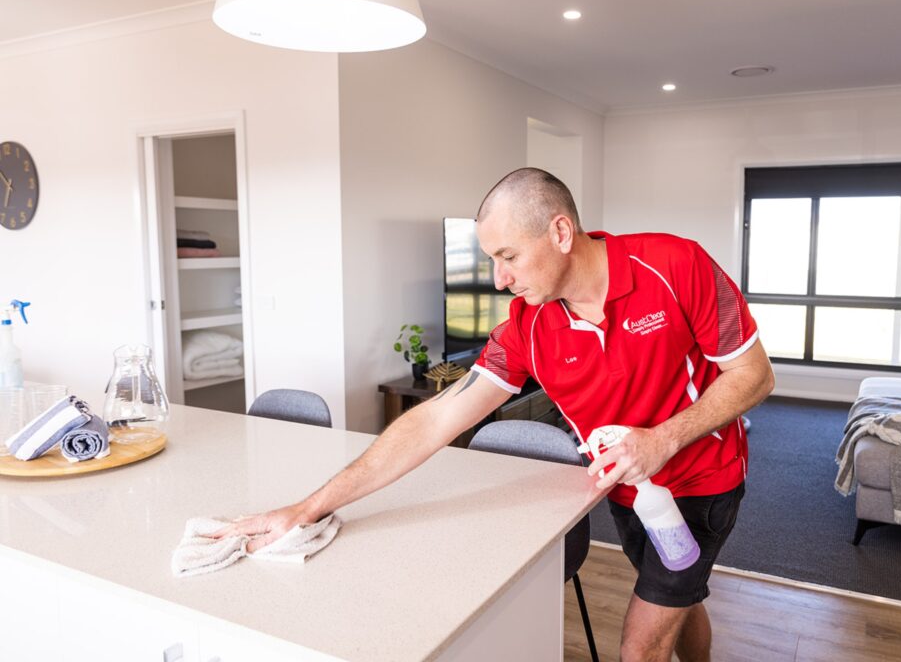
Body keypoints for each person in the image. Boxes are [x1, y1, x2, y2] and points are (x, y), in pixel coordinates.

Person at [217, 167, 774, 662]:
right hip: (623, 489)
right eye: (492, 261)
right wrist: (308, 508)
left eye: (508, 256)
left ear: (559, 233)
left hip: (703, 481)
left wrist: (663, 439)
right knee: (678, 594)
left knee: (641, 643)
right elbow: (436, 419)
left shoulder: (677, 266)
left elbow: (754, 375)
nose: (500, 277)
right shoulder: (527, 327)